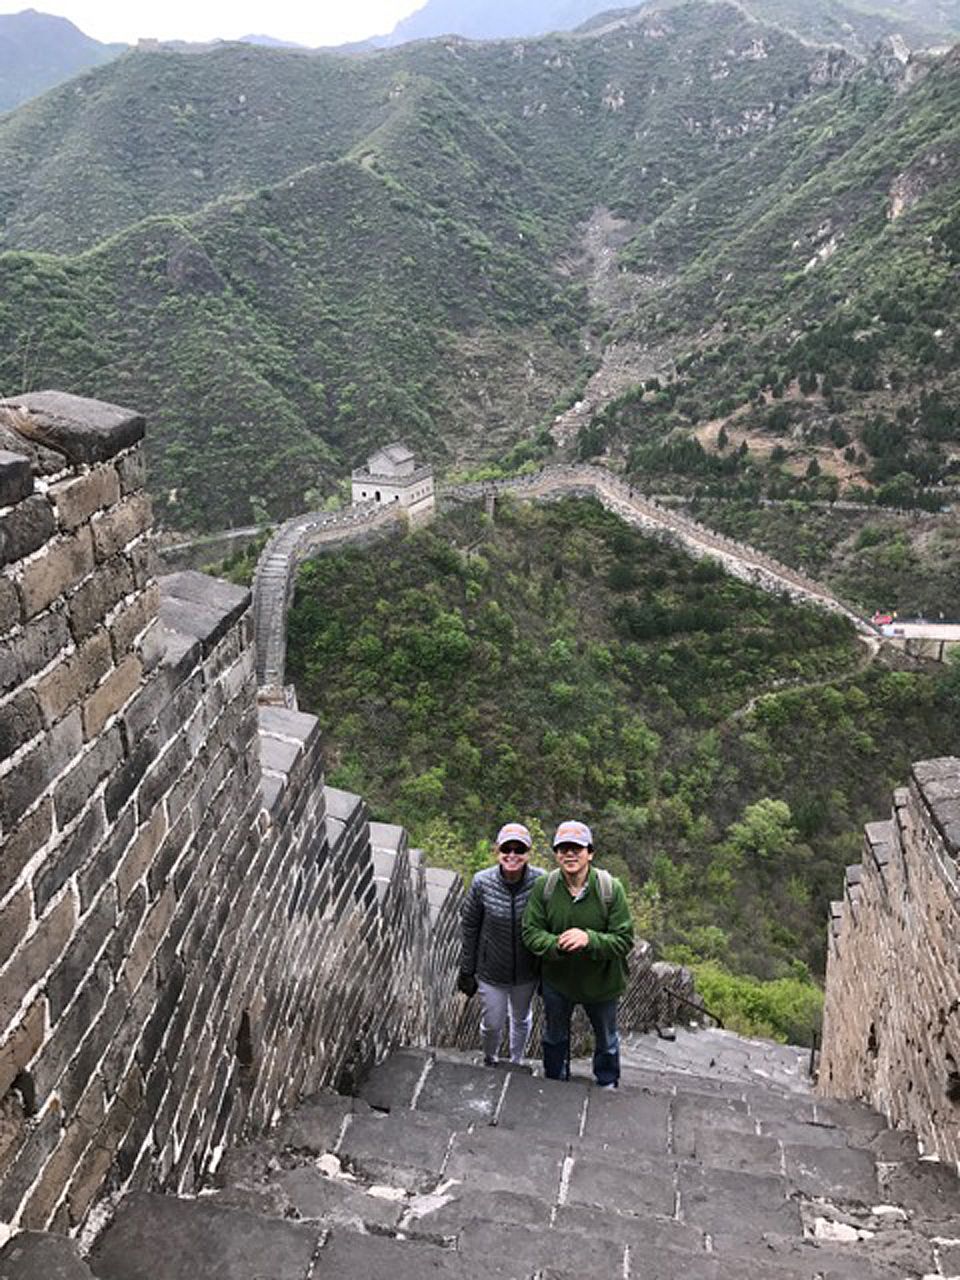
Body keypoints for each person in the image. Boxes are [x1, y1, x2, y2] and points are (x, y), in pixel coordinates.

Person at [521, 820, 633, 1089]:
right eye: (563, 849)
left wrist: (589, 939)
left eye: (577, 848)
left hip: (601, 983)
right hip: (558, 982)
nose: (570, 854)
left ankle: (607, 1082)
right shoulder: (545, 888)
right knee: (554, 1036)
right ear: (556, 854)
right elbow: (530, 931)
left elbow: (624, 939)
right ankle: (555, 1079)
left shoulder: (609, 889)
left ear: (590, 853)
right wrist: (556, 944)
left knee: (606, 1038)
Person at [457, 822, 545, 1066]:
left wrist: (546, 971)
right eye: (507, 849)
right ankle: (490, 1058)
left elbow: (550, 926)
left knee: (521, 1018)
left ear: (528, 853)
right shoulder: (481, 882)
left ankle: (517, 1061)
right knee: (492, 1022)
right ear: (497, 850)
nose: (512, 855)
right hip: (491, 970)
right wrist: (467, 969)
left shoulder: (542, 882)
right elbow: (470, 926)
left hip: (527, 971)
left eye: (519, 850)